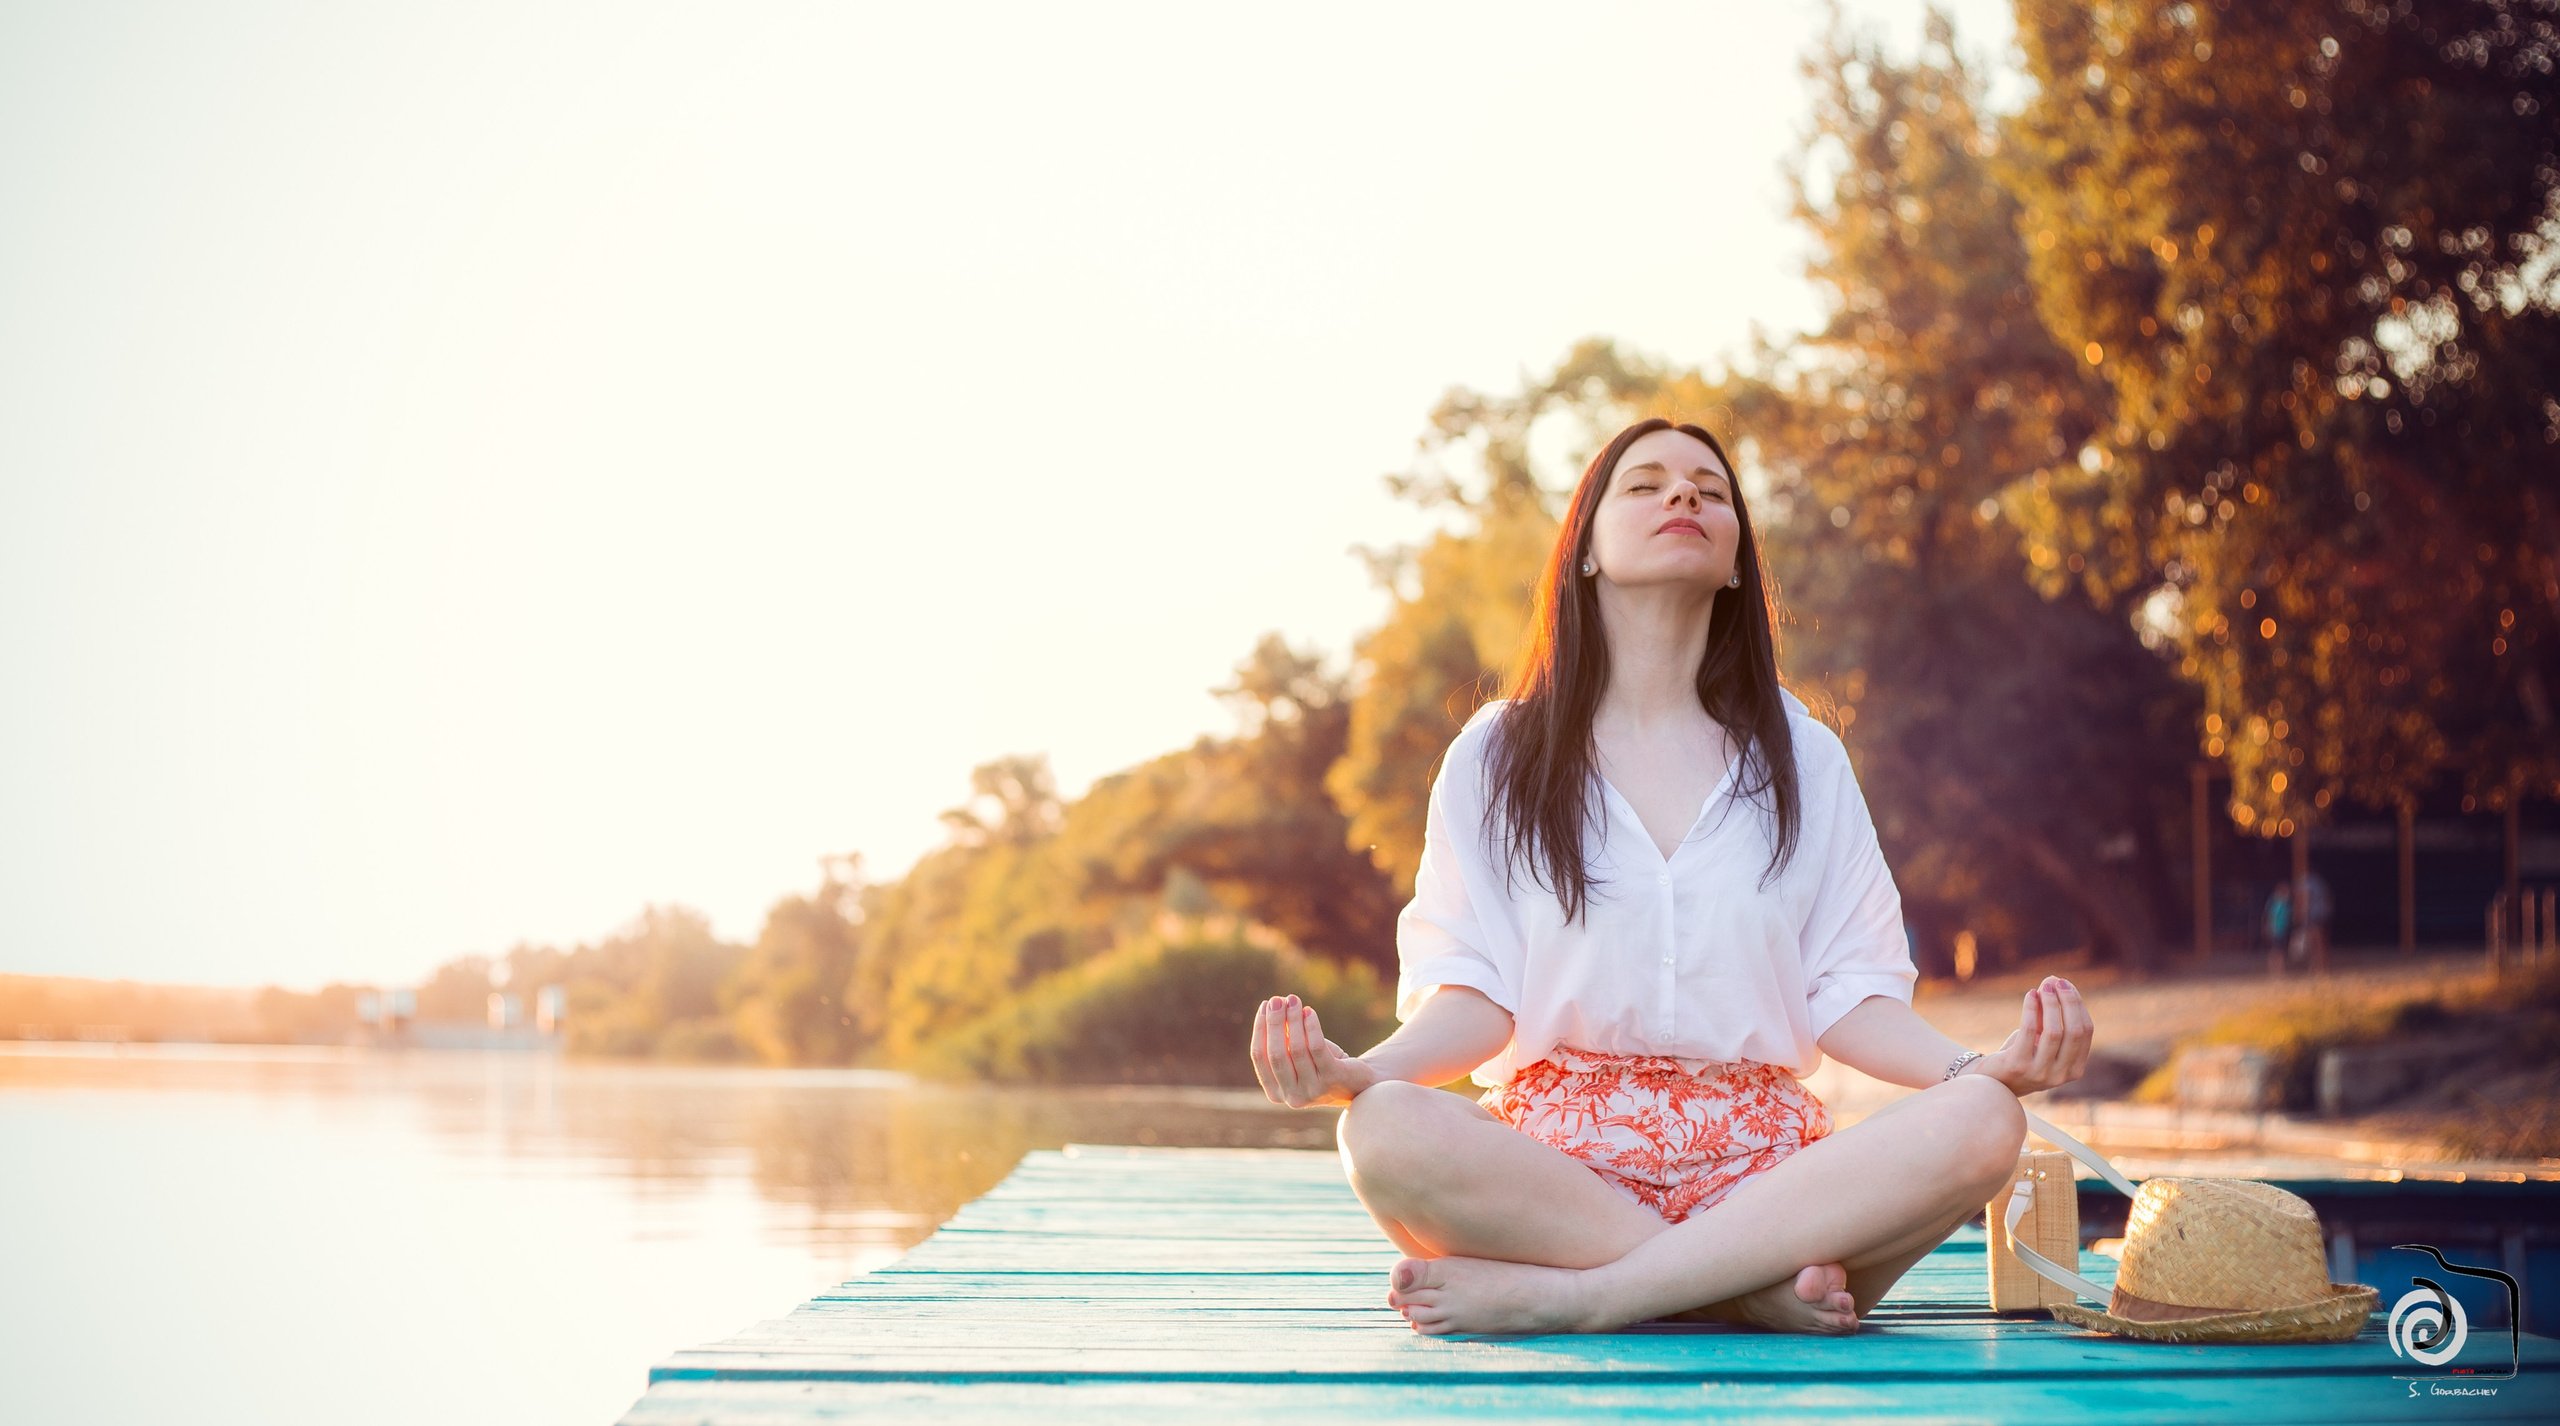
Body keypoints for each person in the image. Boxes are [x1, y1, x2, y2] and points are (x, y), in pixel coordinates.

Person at [1245, 418, 2094, 1336]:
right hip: (1559, 1176)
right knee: (1377, 1129)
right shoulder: (1494, 754)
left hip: (1771, 1180)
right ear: (1585, 552)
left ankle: (1592, 1297)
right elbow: (1477, 994)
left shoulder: (1804, 757)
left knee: (1984, 1121)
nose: (1682, 496)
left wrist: (1983, 1068)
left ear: (1736, 565)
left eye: (1710, 489)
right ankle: (1746, 1293)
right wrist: (1358, 1071)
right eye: (1644, 485)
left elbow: (1847, 994)